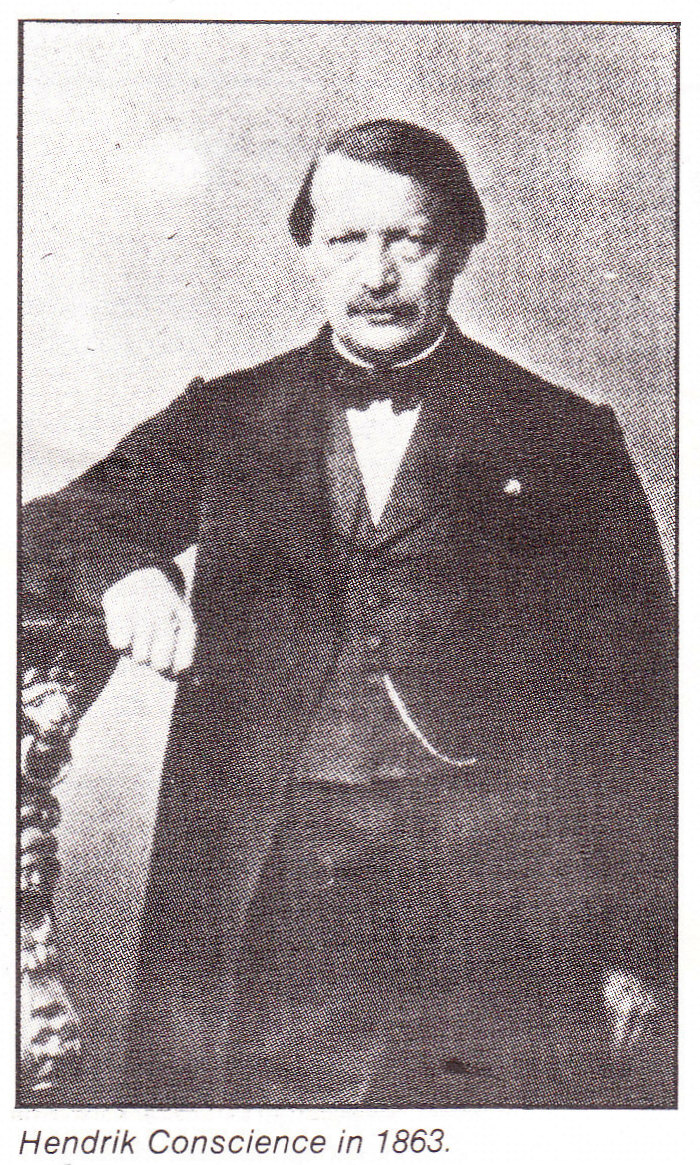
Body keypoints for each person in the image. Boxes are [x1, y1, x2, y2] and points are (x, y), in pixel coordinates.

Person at [22, 119, 676, 1107]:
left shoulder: (560, 436)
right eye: (345, 241)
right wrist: (125, 572)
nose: (376, 275)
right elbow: (50, 525)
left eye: (408, 240)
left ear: (459, 246)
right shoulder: (229, 415)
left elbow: (642, 703)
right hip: (266, 896)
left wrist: (638, 946)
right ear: (306, 251)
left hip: (494, 914)